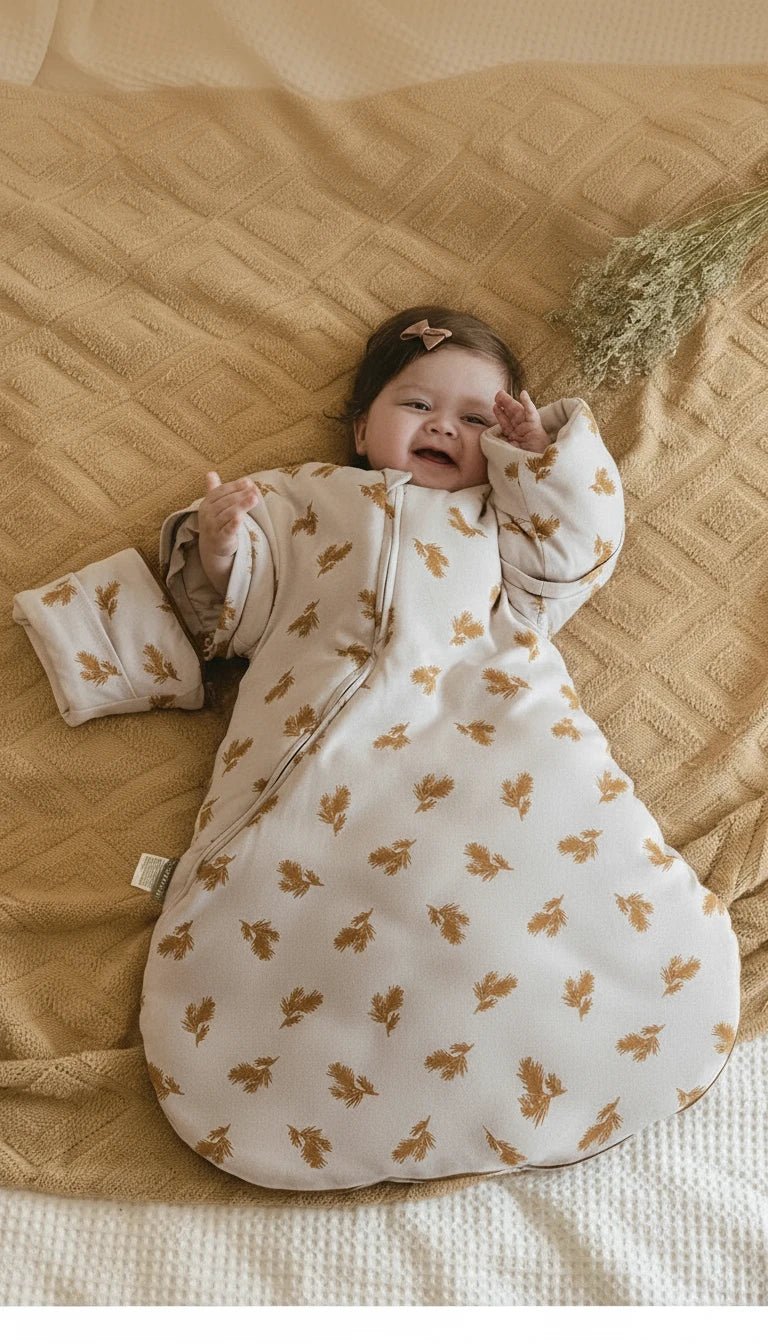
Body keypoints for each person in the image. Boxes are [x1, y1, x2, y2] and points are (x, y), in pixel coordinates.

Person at [196, 307, 551, 596]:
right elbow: (248, 596)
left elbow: (564, 558)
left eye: (474, 419)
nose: (443, 426)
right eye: (419, 405)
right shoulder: (307, 493)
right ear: (362, 431)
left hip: (468, 679)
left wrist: (535, 464)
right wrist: (221, 547)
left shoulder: (503, 517)